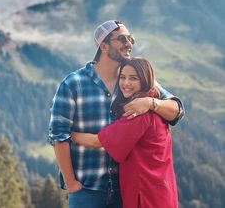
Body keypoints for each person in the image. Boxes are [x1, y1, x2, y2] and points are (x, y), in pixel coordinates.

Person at [48, 20, 184, 208]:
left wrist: (151, 102)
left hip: (127, 191)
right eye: (122, 39)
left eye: (130, 39)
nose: (129, 44)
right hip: (88, 190)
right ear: (103, 45)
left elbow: (176, 110)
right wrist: (71, 184)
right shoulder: (73, 84)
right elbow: (58, 136)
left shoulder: (137, 79)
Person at [72, 58, 178, 208]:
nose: (126, 83)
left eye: (133, 78)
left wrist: (67, 134)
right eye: (122, 77)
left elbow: (97, 141)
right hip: (162, 190)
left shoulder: (137, 113)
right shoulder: (157, 104)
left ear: (145, 80)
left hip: (144, 195)